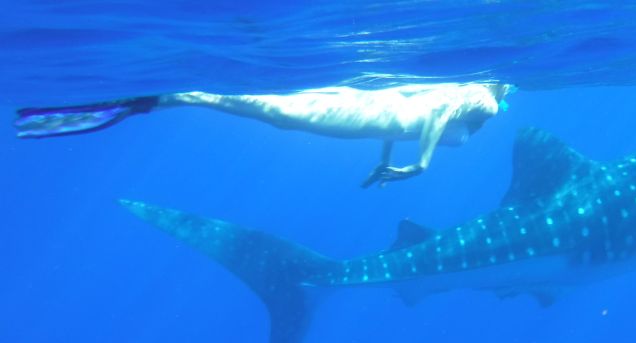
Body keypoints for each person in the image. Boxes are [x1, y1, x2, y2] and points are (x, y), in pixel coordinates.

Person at [14, 83, 514, 187]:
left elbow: (419, 112)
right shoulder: (487, 98)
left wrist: (386, 155)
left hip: (363, 111)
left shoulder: (469, 95)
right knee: (258, 109)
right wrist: (421, 165)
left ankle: (142, 101)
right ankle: (140, 102)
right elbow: (438, 111)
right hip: (356, 115)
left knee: (264, 107)